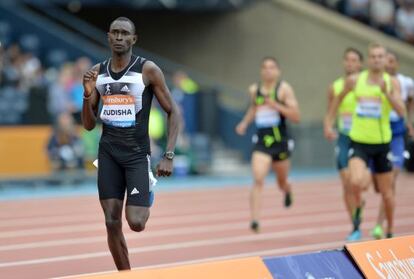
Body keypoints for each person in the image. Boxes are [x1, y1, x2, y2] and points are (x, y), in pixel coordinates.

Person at [81, 17, 180, 270]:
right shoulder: (97, 72)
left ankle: (147, 190)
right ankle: (125, 274)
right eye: (115, 32)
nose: (119, 37)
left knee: (136, 223)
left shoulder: (148, 70)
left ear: (133, 39)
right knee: (111, 222)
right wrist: (87, 94)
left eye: (125, 33)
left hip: (137, 155)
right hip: (109, 154)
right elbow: (89, 125)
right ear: (108, 36)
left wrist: (168, 154)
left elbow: (173, 111)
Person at [325, 43, 405, 240]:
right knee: (353, 182)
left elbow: (401, 111)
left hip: (381, 143)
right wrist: (328, 122)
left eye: (380, 56)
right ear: (368, 60)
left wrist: (386, 93)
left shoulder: (390, 82)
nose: (377, 60)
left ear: (385, 59)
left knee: (386, 193)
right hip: (358, 141)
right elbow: (337, 99)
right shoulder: (354, 81)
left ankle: (390, 230)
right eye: (374, 56)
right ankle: (357, 221)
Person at [235, 57, 300, 233]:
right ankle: (255, 220)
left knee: (281, 181)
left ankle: (287, 189)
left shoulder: (284, 89)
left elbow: (296, 116)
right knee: (258, 177)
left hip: (281, 140)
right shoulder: (254, 90)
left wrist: (276, 106)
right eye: (264, 67)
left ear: (278, 71)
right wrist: (244, 123)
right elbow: (253, 109)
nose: (268, 71)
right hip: (262, 140)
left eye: (272, 67)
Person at [371, 50, 414, 239]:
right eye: (384, 61)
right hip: (378, 133)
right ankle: (386, 222)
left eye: (391, 61)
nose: (388, 64)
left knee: (391, 180)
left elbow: (409, 102)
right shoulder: (374, 80)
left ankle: (383, 225)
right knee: (379, 185)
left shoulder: (405, 82)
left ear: (396, 63)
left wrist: (409, 121)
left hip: (396, 133)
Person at [323, 47, 363, 236]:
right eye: (347, 60)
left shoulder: (368, 84)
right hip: (344, 137)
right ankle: (355, 225)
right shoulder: (335, 86)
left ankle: (359, 200)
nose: (350, 63)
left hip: (365, 139)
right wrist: (328, 126)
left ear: (360, 64)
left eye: (354, 60)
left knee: (360, 183)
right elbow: (330, 110)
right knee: (346, 182)